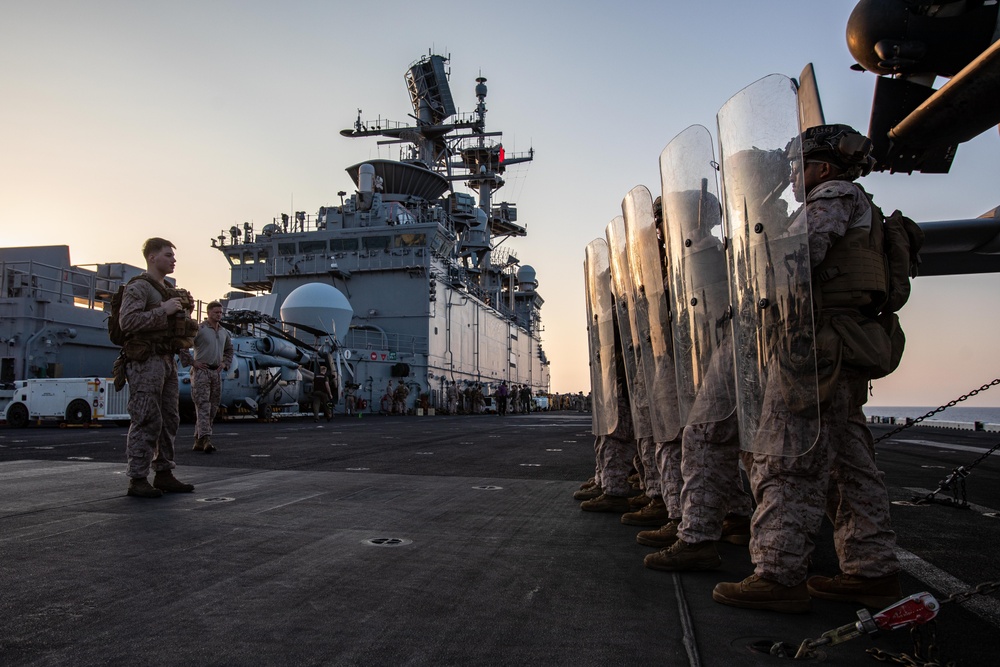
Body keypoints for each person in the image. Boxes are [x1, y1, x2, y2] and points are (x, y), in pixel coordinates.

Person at [713, 124, 901, 613]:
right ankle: (872, 569)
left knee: (786, 457)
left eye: (799, 167)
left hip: (814, 352)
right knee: (849, 464)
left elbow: (795, 262)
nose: (794, 176)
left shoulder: (833, 196)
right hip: (840, 348)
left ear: (822, 167)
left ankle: (779, 573)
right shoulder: (862, 204)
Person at [119, 237, 197, 498]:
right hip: (145, 362)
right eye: (167, 255)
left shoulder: (169, 291)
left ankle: (164, 472)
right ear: (152, 257)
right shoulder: (139, 288)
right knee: (146, 418)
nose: (173, 260)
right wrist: (162, 310)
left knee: (170, 419)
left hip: (166, 361)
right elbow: (127, 322)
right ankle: (138, 478)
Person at [181, 301, 233, 453]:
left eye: (220, 312)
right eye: (216, 312)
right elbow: (183, 345)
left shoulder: (224, 332)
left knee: (213, 408)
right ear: (208, 312)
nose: (219, 315)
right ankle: (206, 439)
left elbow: (229, 350)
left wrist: (224, 364)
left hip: (215, 373)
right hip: (201, 372)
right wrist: (192, 362)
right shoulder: (199, 329)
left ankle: (198, 439)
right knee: (203, 405)